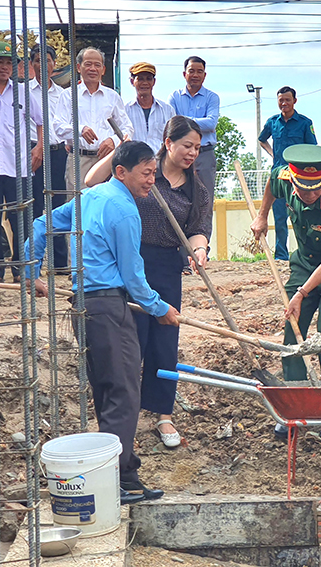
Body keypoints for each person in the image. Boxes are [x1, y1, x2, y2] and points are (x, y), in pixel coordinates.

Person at [26, 141, 181, 504]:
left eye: (154, 173)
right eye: (145, 174)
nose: (151, 181)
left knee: (108, 390)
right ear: (121, 171)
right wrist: (161, 309)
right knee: (125, 393)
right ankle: (117, 478)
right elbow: (133, 277)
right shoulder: (125, 211)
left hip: (84, 309)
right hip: (109, 309)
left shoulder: (91, 197)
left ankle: (124, 472)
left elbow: (39, 224)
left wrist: (34, 269)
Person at [251, 144, 321, 440]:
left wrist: (301, 292)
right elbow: (273, 182)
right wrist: (262, 216)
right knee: (292, 324)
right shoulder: (286, 179)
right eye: (303, 189)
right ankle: (294, 404)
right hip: (306, 261)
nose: (309, 194)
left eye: (315, 189)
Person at [134, 116, 211, 448]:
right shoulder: (144, 173)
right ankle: (124, 416)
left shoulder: (196, 187)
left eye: (196, 147)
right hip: (132, 261)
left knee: (165, 341)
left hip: (167, 265)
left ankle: (163, 414)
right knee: (132, 339)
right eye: (186, 146)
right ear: (168, 143)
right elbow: (98, 185)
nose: (192, 152)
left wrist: (200, 250)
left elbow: (197, 228)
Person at [0, 40, 43, 282]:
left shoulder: (23, 92)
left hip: (20, 166)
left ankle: (22, 271)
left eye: (9, 62)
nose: (4, 66)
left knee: (21, 220)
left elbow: (41, 121)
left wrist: (38, 147)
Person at [53, 47, 133, 192]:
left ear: (103, 70)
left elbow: (127, 128)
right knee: (79, 206)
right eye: (88, 64)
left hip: (106, 161)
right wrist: (80, 129)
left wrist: (113, 141)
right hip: (79, 159)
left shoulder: (112, 96)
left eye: (97, 65)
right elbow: (58, 126)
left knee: (106, 203)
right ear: (78, 67)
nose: (93, 69)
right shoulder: (68, 95)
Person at [258, 86, 317, 261]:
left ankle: (306, 254)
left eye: (287, 100)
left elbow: (312, 148)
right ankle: (281, 255)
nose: (284, 103)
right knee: (279, 217)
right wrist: (272, 154)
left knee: (302, 216)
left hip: (299, 176)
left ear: (294, 101)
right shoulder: (272, 122)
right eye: (281, 100)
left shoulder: (305, 123)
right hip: (278, 176)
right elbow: (262, 139)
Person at [29, 43, 68, 271]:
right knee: (34, 207)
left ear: (54, 65)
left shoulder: (63, 94)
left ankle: (60, 263)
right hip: (34, 153)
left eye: (47, 61)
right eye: (37, 61)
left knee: (58, 207)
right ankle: (34, 261)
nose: (43, 65)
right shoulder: (24, 92)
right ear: (32, 64)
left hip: (58, 154)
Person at [168, 56, 219, 203]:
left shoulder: (212, 97)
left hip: (204, 154)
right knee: (177, 199)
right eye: (191, 71)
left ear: (205, 75)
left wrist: (183, 120)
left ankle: (204, 228)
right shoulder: (174, 97)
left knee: (205, 200)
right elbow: (172, 124)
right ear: (184, 74)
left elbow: (211, 124)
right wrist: (194, 123)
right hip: (179, 155)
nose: (195, 75)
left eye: (199, 71)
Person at [125, 62, 175, 152]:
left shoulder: (167, 110)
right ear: (132, 82)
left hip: (160, 161)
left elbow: (174, 138)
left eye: (148, 79)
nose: (145, 83)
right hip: (134, 161)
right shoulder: (125, 111)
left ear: (154, 82)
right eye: (140, 79)